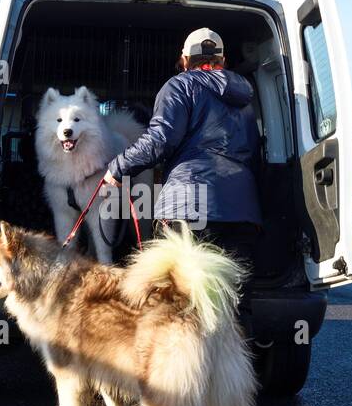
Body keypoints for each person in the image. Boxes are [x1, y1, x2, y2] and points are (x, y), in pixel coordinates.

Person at [103, 26, 262, 281]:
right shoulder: (245, 100)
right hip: (242, 210)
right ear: (222, 60)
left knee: (183, 301)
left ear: (185, 60)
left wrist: (118, 167)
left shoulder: (179, 86)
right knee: (234, 299)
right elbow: (254, 151)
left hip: (191, 205)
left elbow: (161, 139)